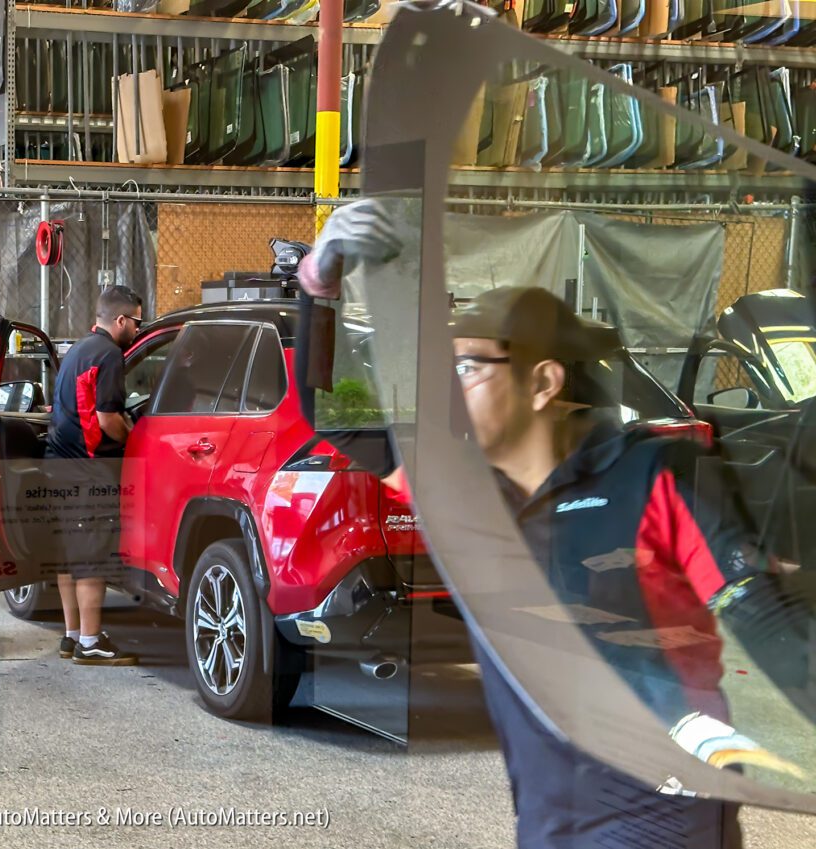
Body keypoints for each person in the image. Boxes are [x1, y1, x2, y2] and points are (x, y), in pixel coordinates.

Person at [298, 202, 815, 848]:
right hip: (548, 817)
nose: (448, 391)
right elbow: (332, 415)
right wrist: (318, 284)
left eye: (468, 368)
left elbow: (771, 628)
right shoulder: (464, 495)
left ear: (542, 382)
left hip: (666, 816)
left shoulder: (653, 476)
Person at [45, 285, 143, 666]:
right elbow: (107, 419)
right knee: (92, 558)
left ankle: (72, 636)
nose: (138, 329)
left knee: (70, 555)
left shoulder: (78, 350)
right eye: (136, 322)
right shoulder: (110, 355)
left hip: (58, 467)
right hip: (88, 472)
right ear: (120, 320)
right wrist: (134, 440)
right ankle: (91, 642)